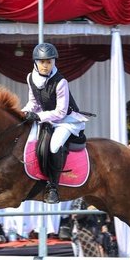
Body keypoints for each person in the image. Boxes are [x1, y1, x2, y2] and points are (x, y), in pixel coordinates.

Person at [21, 42, 88, 204]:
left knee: (54, 145)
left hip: (67, 121)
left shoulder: (61, 82)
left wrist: (38, 117)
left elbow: (61, 112)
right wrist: (23, 112)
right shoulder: (31, 78)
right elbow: (33, 103)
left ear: (54, 62)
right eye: (42, 62)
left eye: (49, 62)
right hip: (47, 118)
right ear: (36, 62)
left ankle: (53, 186)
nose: (46, 66)